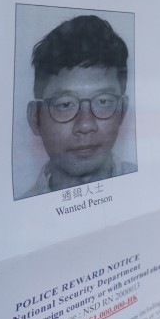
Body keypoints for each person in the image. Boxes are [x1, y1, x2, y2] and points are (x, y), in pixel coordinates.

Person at [18, 14, 136, 199]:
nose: (86, 125)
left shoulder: (153, 189)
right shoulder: (19, 218)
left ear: (122, 112)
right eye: (65, 104)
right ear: (35, 118)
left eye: (103, 101)